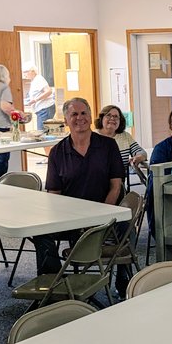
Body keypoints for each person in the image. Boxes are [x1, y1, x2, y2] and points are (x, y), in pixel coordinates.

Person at [32, 98, 123, 287]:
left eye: (83, 113)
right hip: (71, 219)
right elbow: (54, 193)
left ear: (90, 116)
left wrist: (102, 215)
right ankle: (54, 286)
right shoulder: (57, 152)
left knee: (126, 226)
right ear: (66, 120)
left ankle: (124, 284)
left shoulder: (108, 146)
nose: (79, 118)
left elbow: (116, 186)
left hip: (106, 215)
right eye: (74, 114)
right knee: (40, 232)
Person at [95, 104, 148, 179]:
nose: (112, 118)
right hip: (96, 181)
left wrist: (139, 157)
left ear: (120, 121)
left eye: (116, 116)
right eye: (108, 115)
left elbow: (141, 152)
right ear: (101, 118)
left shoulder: (125, 136)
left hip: (119, 182)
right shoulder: (92, 137)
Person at [23, 66, 56, 131]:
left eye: (26, 72)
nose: (25, 74)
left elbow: (48, 91)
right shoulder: (34, 81)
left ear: (33, 71)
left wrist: (35, 100)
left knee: (42, 132)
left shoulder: (39, 79)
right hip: (42, 109)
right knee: (43, 131)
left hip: (45, 109)